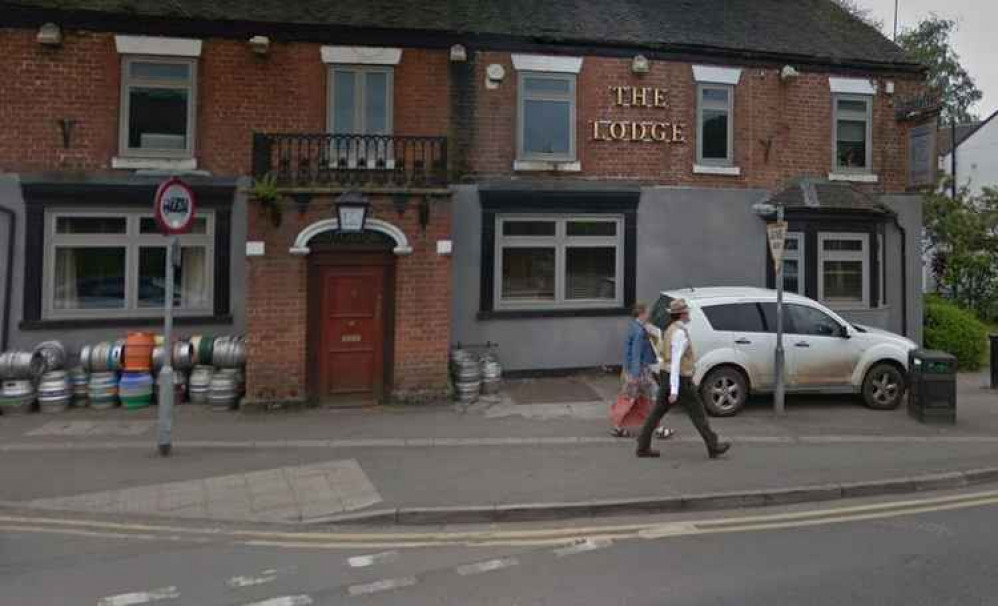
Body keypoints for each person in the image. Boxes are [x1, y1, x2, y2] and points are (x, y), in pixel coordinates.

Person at [636, 298, 731, 459]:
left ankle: (642, 445)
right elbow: (675, 361)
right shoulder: (679, 333)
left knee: (657, 412)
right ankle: (713, 445)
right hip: (680, 380)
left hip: (668, 376)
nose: (689, 314)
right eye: (687, 311)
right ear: (682, 314)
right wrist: (674, 389)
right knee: (698, 413)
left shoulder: (670, 329)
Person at [611, 303, 675, 440]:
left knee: (634, 399)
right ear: (641, 313)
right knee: (652, 398)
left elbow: (630, 351)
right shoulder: (640, 331)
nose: (649, 315)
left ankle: (618, 426)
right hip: (640, 372)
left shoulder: (634, 326)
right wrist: (635, 374)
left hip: (635, 371)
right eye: (647, 313)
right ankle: (658, 429)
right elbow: (636, 353)